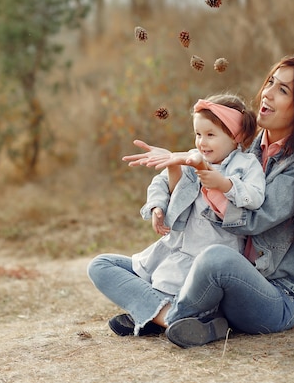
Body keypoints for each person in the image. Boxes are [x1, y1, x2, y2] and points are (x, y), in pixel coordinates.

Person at [89, 53, 294, 348]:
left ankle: (153, 312)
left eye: (282, 90)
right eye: (271, 81)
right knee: (102, 264)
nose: (267, 92)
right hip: (211, 282)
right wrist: (173, 164)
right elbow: (190, 174)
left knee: (215, 258)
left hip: (270, 297)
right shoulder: (243, 146)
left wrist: (205, 175)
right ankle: (171, 317)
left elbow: (254, 221)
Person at [87, 93, 264, 337]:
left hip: (204, 267)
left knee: (180, 286)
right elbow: (160, 184)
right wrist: (158, 205)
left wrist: (224, 184)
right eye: (198, 134)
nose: (202, 142)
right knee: (100, 265)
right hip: (169, 255)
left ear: (237, 138)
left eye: (211, 134)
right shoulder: (190, 157)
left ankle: (162, 315)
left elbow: (255, 197)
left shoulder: (245, 165)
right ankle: (168, 318)